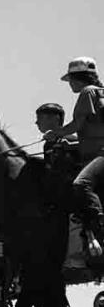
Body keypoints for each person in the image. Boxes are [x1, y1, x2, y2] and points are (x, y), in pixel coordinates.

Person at [43, 57, 104, 263]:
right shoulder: (99, 93)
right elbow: (92, 131)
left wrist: (57, 133)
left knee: (81, 184)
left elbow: (78, 124)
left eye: (70, 79)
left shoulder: (88, 92)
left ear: (79, 78)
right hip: (97, 153)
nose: (69, 84)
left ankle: (100, 233)